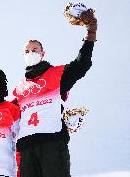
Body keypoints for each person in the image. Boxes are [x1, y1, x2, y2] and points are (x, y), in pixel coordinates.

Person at [13, 10, 97, 177]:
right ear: (23, 56)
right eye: (27, 51)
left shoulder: (57, 75)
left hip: (51, 142)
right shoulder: (20, 88)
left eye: (35, 49)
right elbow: (7, 114)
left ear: (43, 54)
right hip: (26, 147)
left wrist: (91, 32)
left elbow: (82, 64)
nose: (31, 53)